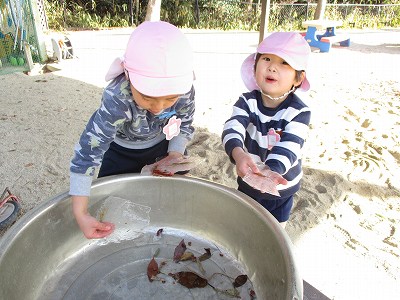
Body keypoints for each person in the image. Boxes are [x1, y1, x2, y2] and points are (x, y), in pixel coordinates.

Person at [70, 21, 195, 239]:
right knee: (113, 201)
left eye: (170, 98)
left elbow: (184, 122)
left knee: (172, 195)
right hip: (120, 150)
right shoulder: (118, 97)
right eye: (147, 96)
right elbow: (89, 151)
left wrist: (175, 153)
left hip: (162, 144)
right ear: (128, 75)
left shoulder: (184, 90)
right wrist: (80, 212)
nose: (158, 108)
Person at [222, 32, 311, 228]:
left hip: (281, 186)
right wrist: (239, 154)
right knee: (245, 224)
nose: (272, 67)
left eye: (284, 63)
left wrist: (271, 172)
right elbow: (233, 127)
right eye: (267, 59)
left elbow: (290, 146)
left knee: (275, 229)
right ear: (255, 68)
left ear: (298, 78)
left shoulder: (299, 111)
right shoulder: (247, 102)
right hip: (248, 181)